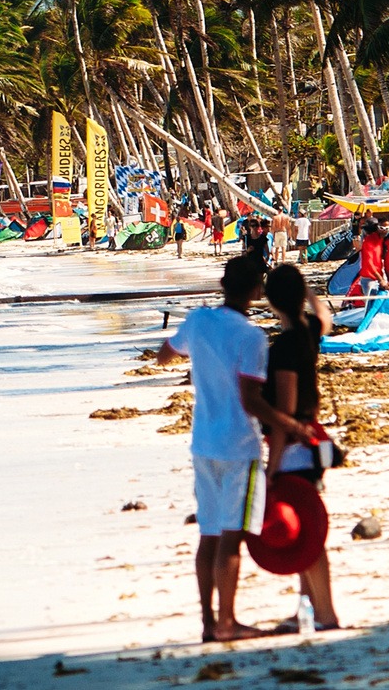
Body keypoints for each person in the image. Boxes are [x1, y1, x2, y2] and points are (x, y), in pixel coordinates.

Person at [144, 255, 307, 643]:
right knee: (231, 539)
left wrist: (196, 358)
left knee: (209, 535)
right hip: (239, 446)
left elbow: (165, 354)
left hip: (203, 442)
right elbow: (251, 400)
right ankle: (228, 622)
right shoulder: (251, 336)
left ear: (222, 284)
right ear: (256, 291)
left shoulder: (198, 321)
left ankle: (207, 622)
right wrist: (292, 425)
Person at [262, 263, 343, 632]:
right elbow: (324, 317)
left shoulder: (285, 347)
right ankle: (307, 610)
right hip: (310, 442)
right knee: (305, 531)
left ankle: (325, 614)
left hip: (295, 445)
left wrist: (271, 467)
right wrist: (309, 292)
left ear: (270, 302)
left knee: (307, 533)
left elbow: (284, 412)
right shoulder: (307, 333)